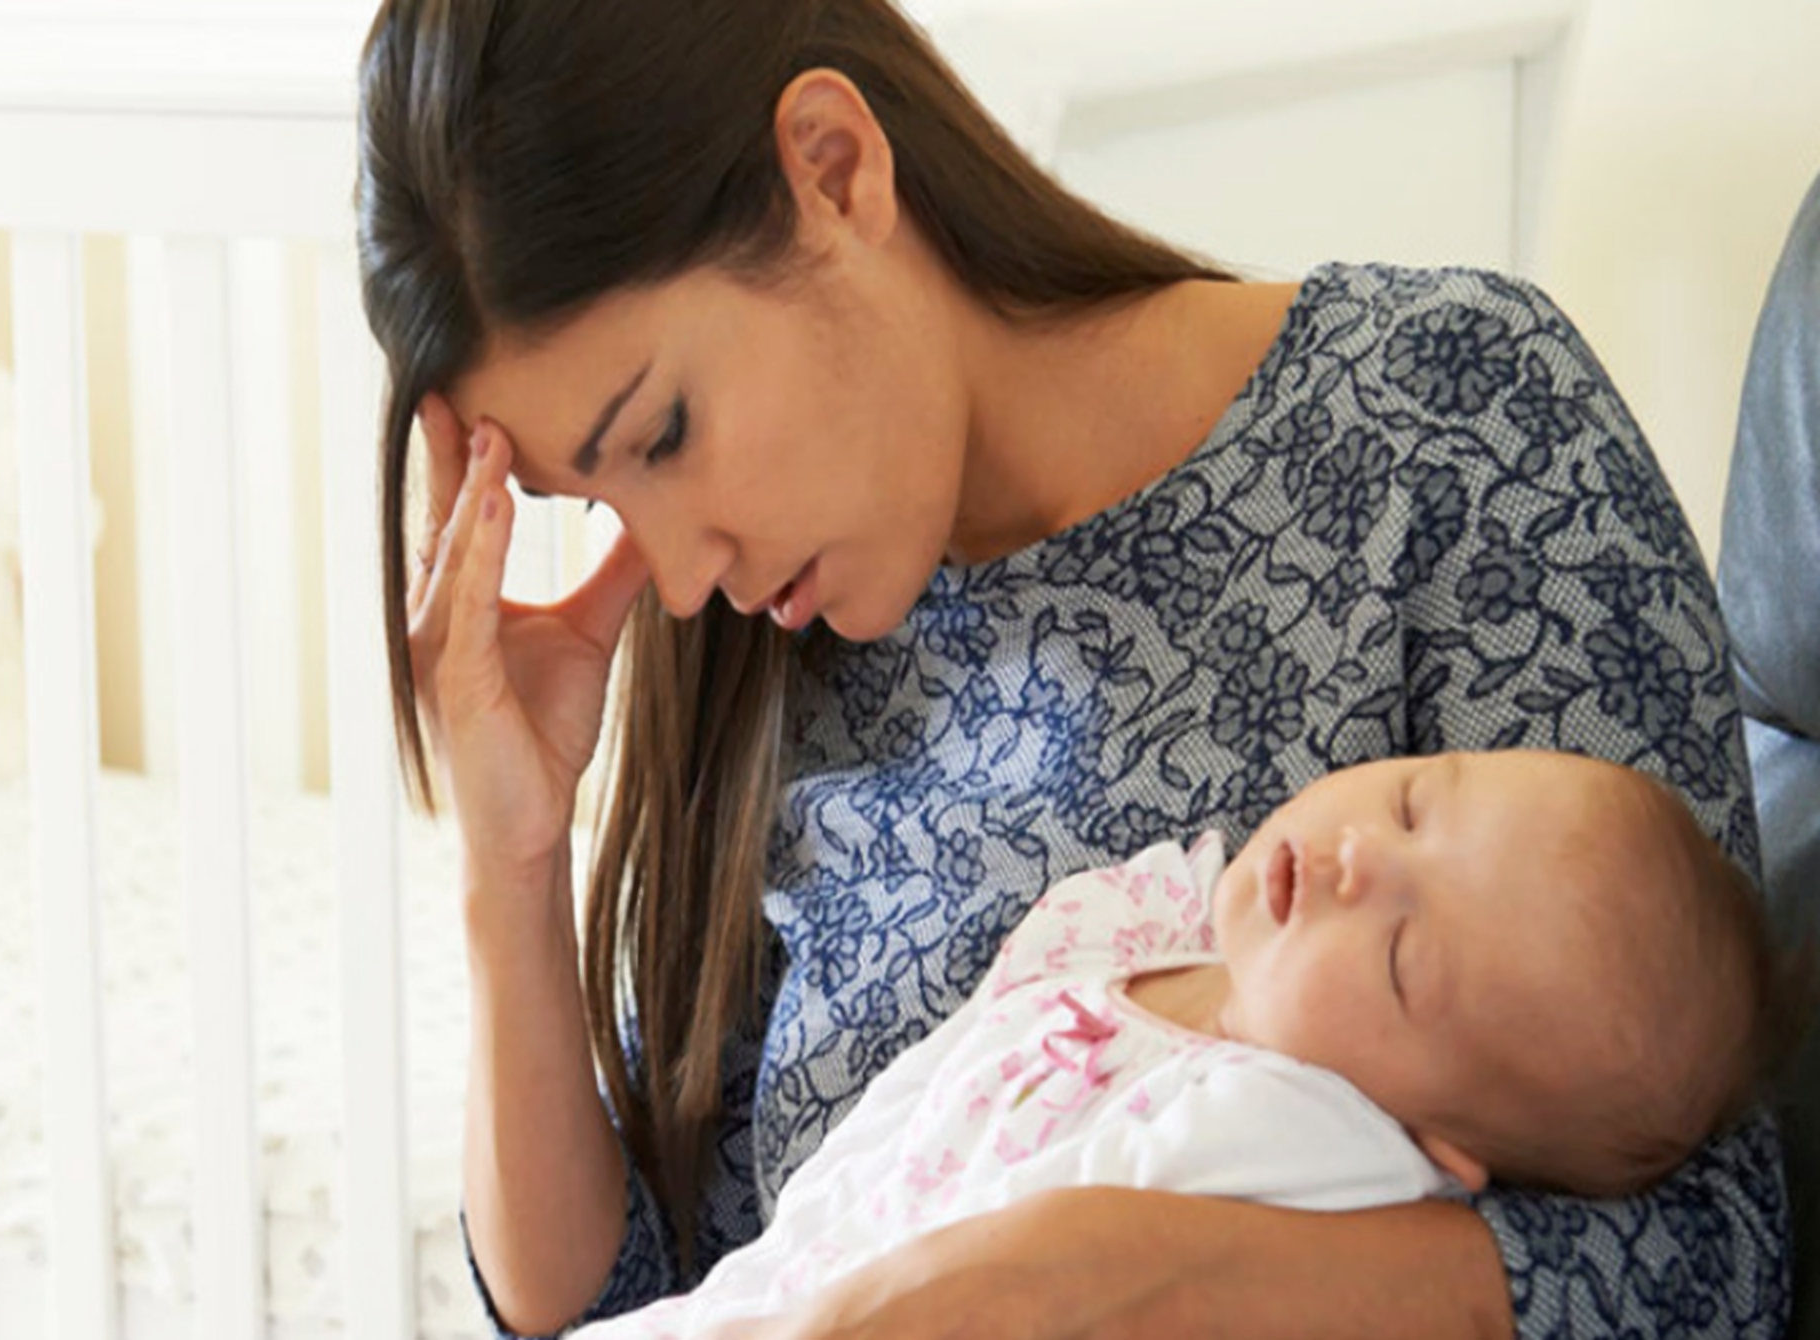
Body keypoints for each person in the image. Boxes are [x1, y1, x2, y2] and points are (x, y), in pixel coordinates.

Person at [352, 2, 1786, 1336]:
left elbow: (1712, 1260)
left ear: (835, 169)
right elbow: (614, 1301)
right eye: (596, 502)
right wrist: (514, 858)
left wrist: (1114, 1276)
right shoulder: (757, 646)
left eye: (662, 433)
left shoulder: (1455, 416)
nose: (671, 575)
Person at [566, 749, 1793, 1340]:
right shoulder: (1146, 912)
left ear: (1441, 1144)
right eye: (1418, 800)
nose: (1367, 857)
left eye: (1404, 955)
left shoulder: (1312, 1141)